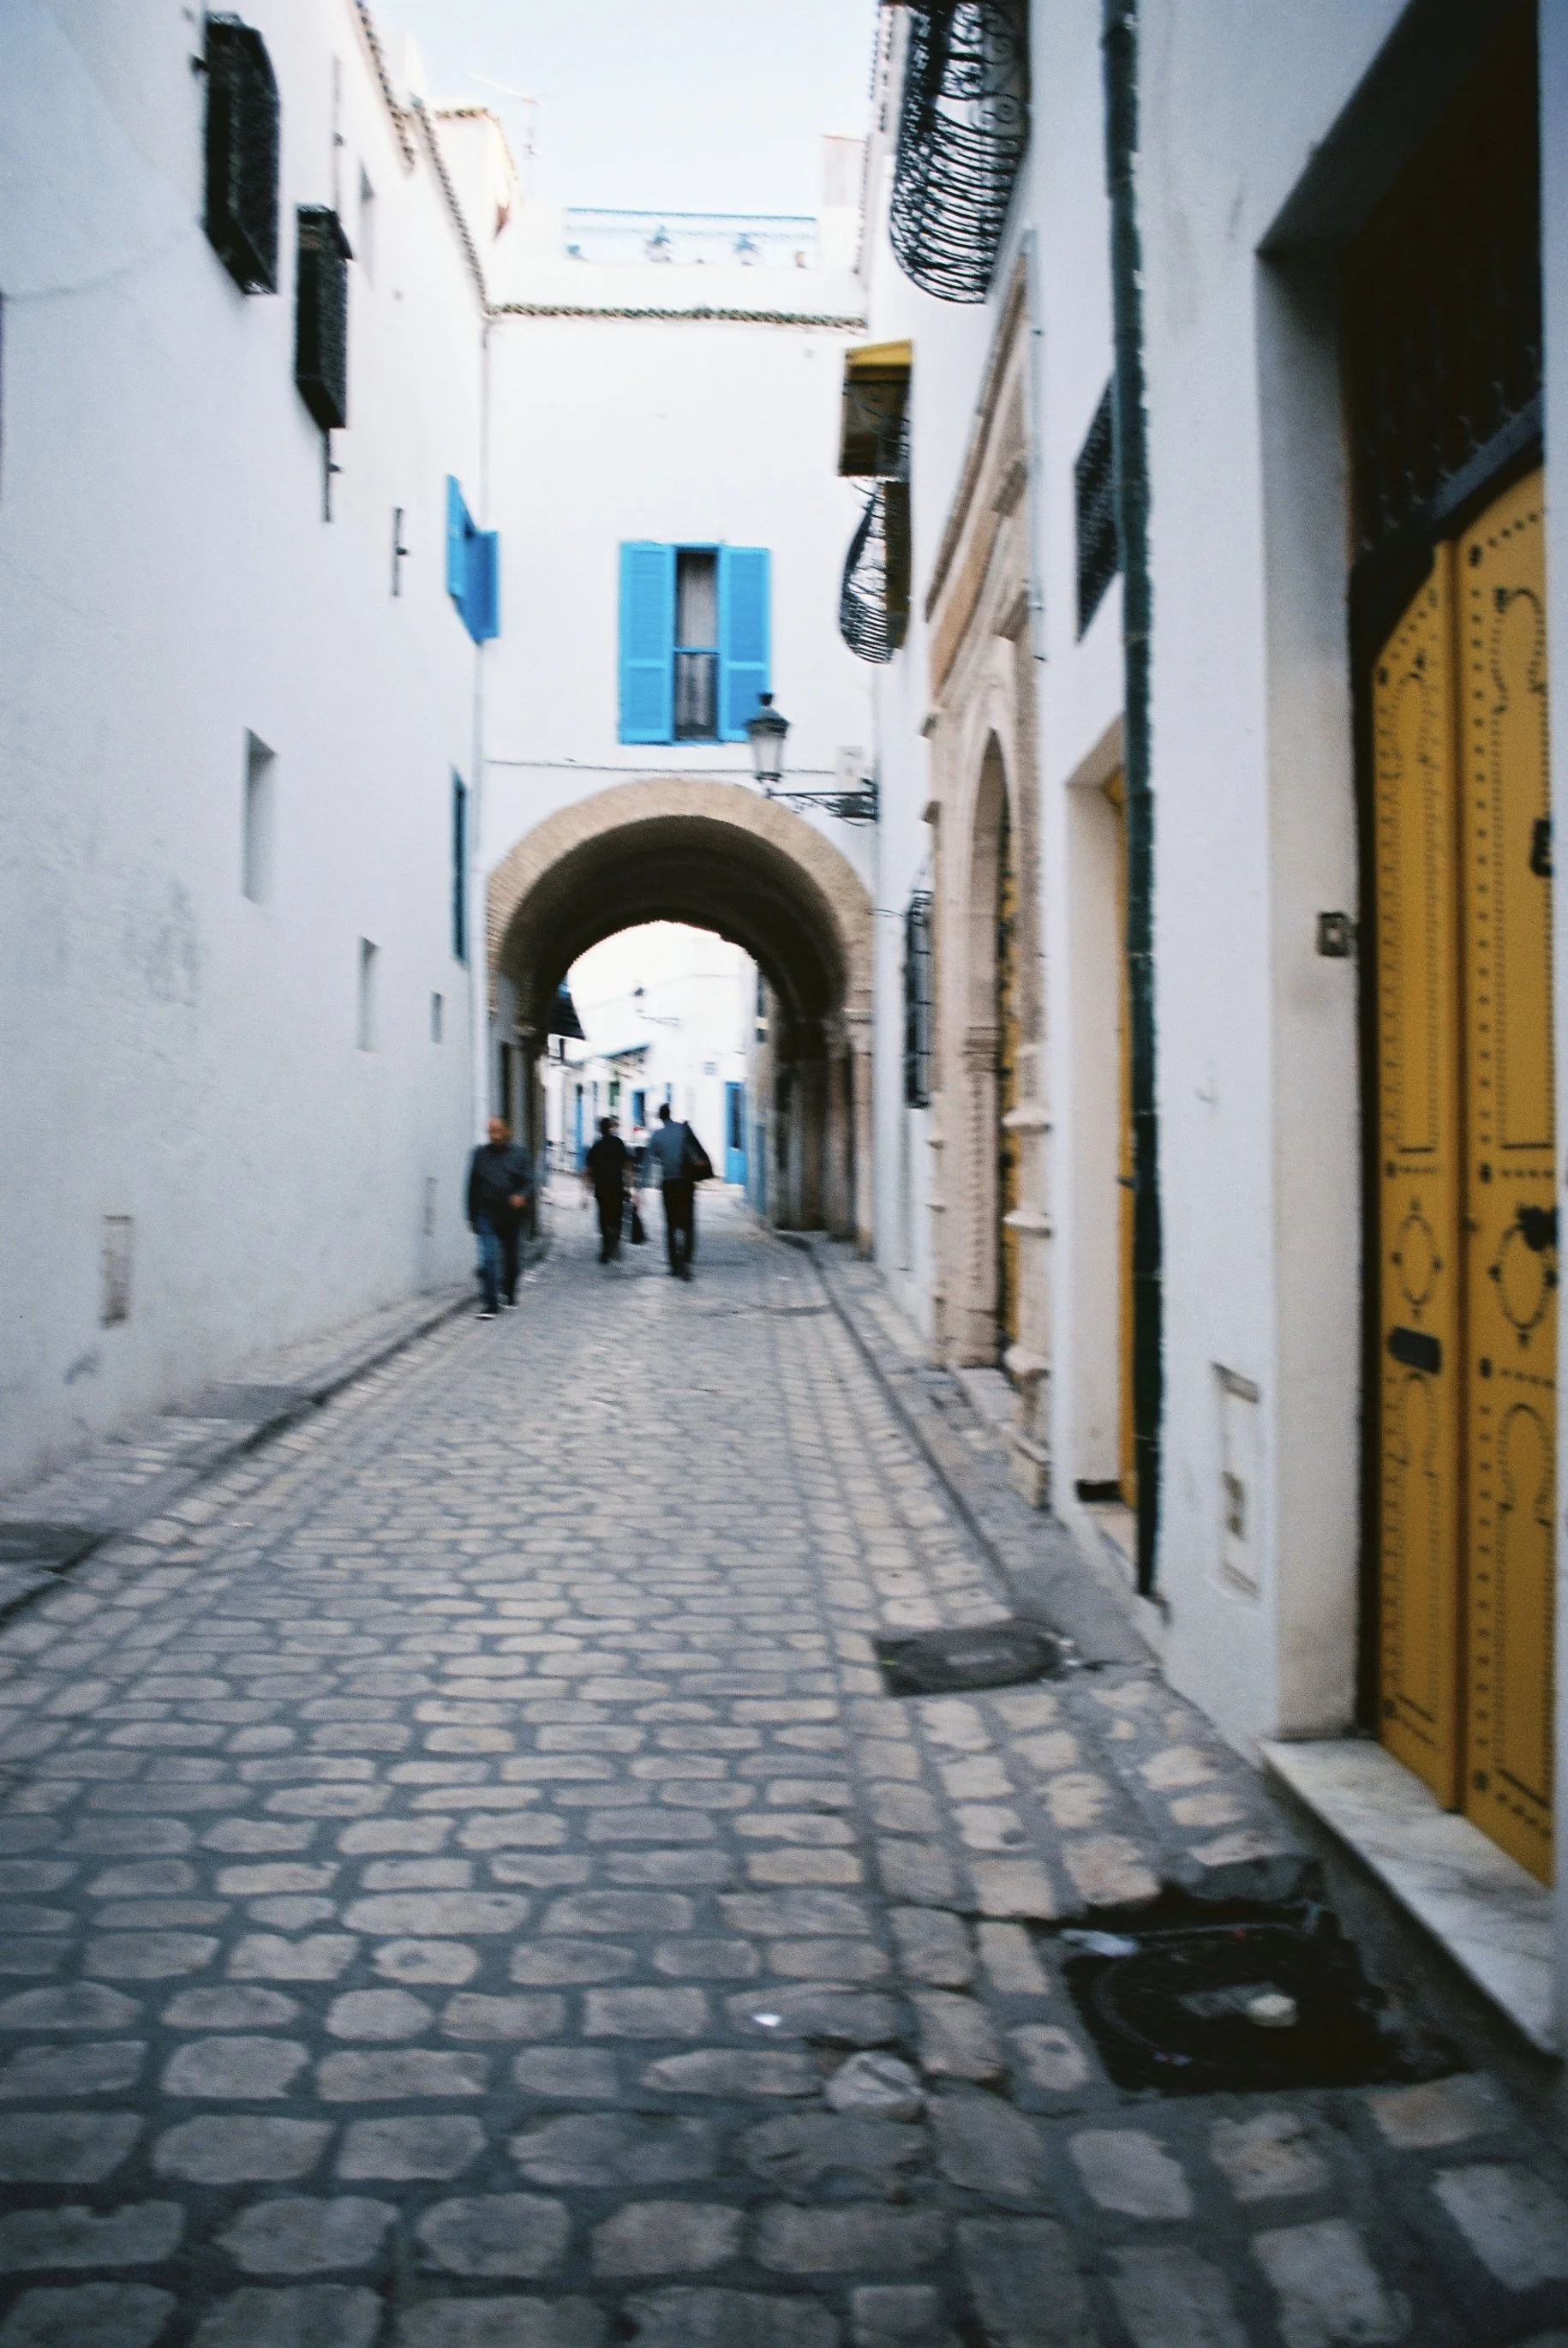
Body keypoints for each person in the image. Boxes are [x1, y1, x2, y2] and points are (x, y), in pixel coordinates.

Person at [466, 1118, 533, 1318]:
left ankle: (510, 1292)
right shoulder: (480, 1155)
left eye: (498, 1131)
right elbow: (471, 1187)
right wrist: (471, 1216)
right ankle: (490, 1304)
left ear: (506, 1132)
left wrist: (521, 1195)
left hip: (511, 1217)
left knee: (511, 1260)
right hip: (486, 1214)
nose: (494, 1135)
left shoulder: (520, 1155)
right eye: (491, 1131)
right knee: (489, 1258)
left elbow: (530, 1182)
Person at [644, 1100, 710, 1279]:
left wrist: (641, 1189)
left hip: (669, 1184)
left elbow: (649, 1162)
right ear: (670, 1113)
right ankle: (687, 1261)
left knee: (671, 1224)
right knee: (688, 1223)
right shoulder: (683, 1129)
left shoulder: (657, 1136)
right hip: (686, 1183)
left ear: (660, 1117)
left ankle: (674, 1264)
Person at [583, 1115, 631, 1263]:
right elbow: (627, 1166)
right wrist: (629, 1186)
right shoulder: (618, 1143)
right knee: (617, 1216)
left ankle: (605, 1248)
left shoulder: (596, 1147)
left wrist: (584, 1192)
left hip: (602, 1188)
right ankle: (615, 1242)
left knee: (603, 1217)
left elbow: (589, 1170)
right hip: (617, 1186)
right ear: (609, 1129)